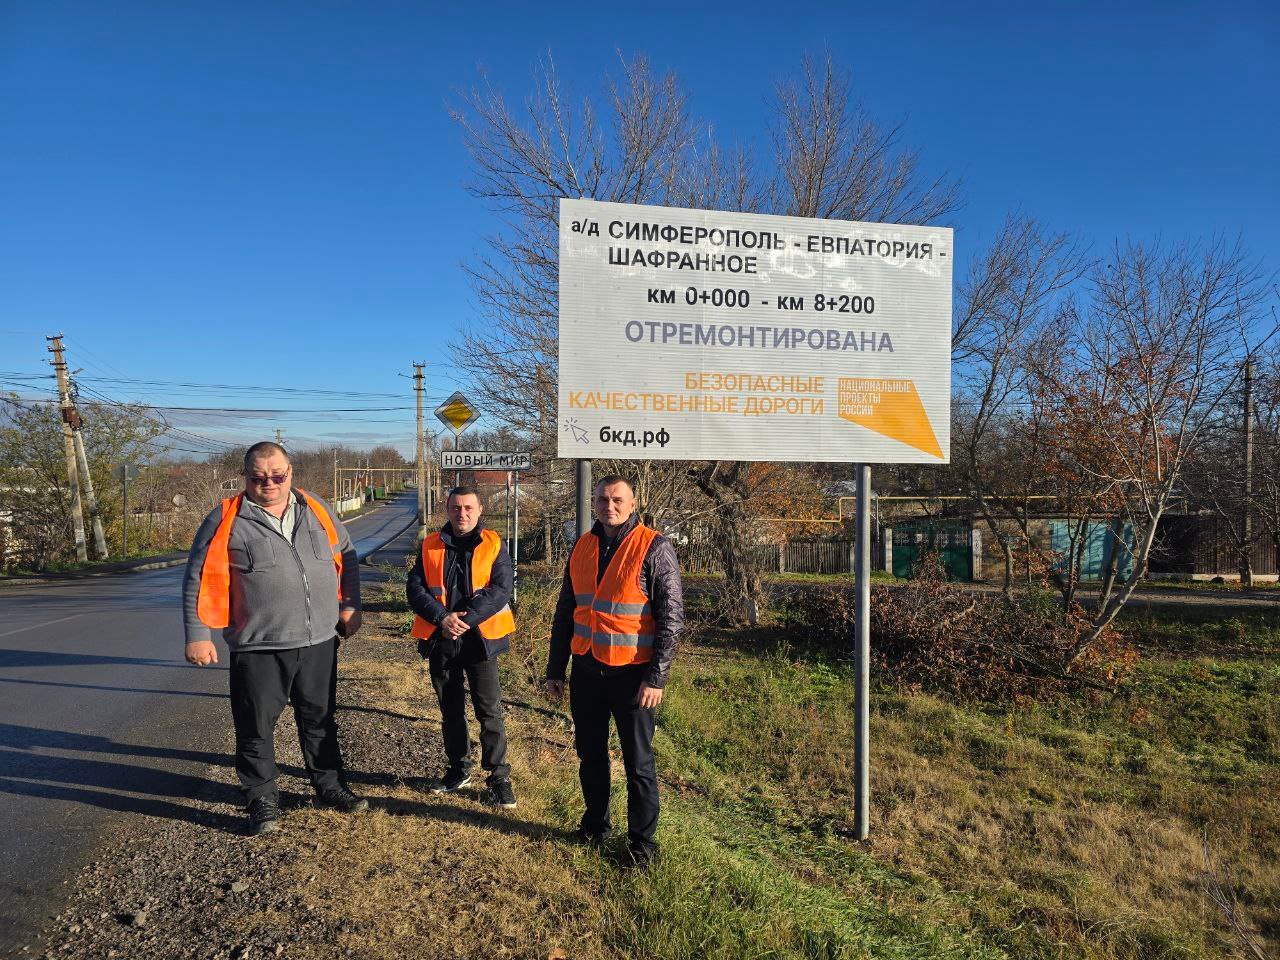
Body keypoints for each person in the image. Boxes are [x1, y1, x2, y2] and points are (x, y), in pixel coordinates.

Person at [182, 441, 367, 836]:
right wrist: (199, 635)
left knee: (320, 720)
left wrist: (351, 605)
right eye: (258, 477)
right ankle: (262, 800)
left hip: (319, 640)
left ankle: (329, 786)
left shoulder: (316, 508)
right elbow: (197, 577)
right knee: (255, 727)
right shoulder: (225, 518)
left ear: (291, 473)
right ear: (245, 477)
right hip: (258, 645)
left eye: (278, 475)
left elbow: (347, 556)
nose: (269, 483)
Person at [545, 475, 683, 866]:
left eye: (617, 499)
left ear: (632, 501)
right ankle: (594, 828)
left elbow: (672, 619)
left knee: (639, 764)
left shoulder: (654, 546)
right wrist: (556, 669)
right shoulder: (583, 546)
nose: (610, 505)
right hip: (587, 671)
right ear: (594, 503)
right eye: (603, 498)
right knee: (590, 755)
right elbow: (566, 612)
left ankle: (642, 848)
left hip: (633, 677)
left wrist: (656, 678)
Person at [406, 485, 517, 808]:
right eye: (456, 508)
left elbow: (500, 589)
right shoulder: (429, 545)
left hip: (481, 642)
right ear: (447, 509)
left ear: (480, 509)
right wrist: (442, 618)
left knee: (489, 711)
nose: (462, 513)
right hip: (442, 639)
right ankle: (458, 769)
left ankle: (498, 777)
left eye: (468, 508)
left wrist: (464, 620)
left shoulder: (495, 544)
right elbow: (415, 589)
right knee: (450, 710)